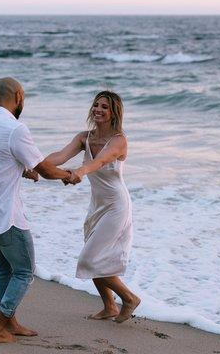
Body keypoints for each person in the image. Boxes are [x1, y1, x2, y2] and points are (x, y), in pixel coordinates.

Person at [0, 77, 78, 344]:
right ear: (18, 96)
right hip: (7, 216)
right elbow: (45, 168)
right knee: (24, 272)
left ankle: (11, 322)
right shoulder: (15, 128)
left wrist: (22, 170)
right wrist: (68, 175)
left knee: (5, 271)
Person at [47, 91, 141, 323]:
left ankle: (129, 298)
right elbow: (59, 156)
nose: (98, 109)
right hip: (96, 205)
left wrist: (78, 172)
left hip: (116, 206)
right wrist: (33, 164)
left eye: (105, 107)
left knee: (89, 259)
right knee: (97, 257)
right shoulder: (84, 138)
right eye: (96, 105)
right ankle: (109, 306)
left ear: (114, 113)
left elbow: (99, 162)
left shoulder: (119, 141)